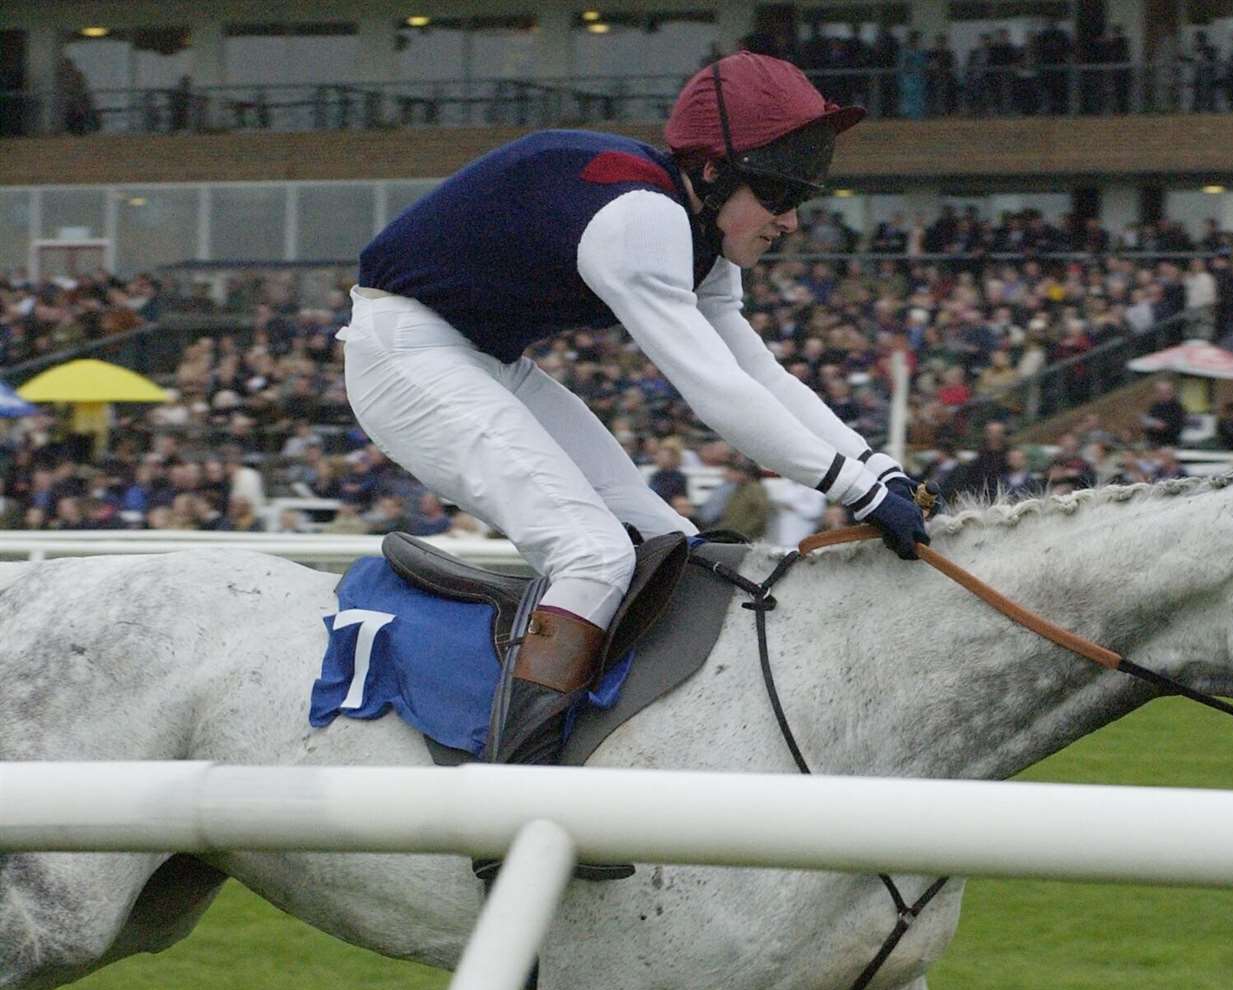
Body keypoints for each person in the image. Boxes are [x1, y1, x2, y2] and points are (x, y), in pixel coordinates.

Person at [338, 52, 927, 757]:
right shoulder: (643, 221)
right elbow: (716, 389)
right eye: (777, 197)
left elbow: (756, 369)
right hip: (406, 352)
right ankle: (510, 798)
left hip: (477, 354)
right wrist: (855, 488)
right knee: (594, 556)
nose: (792, 222)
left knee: (677, 548)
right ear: (713, 172)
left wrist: (876, 467)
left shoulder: (695, 228)